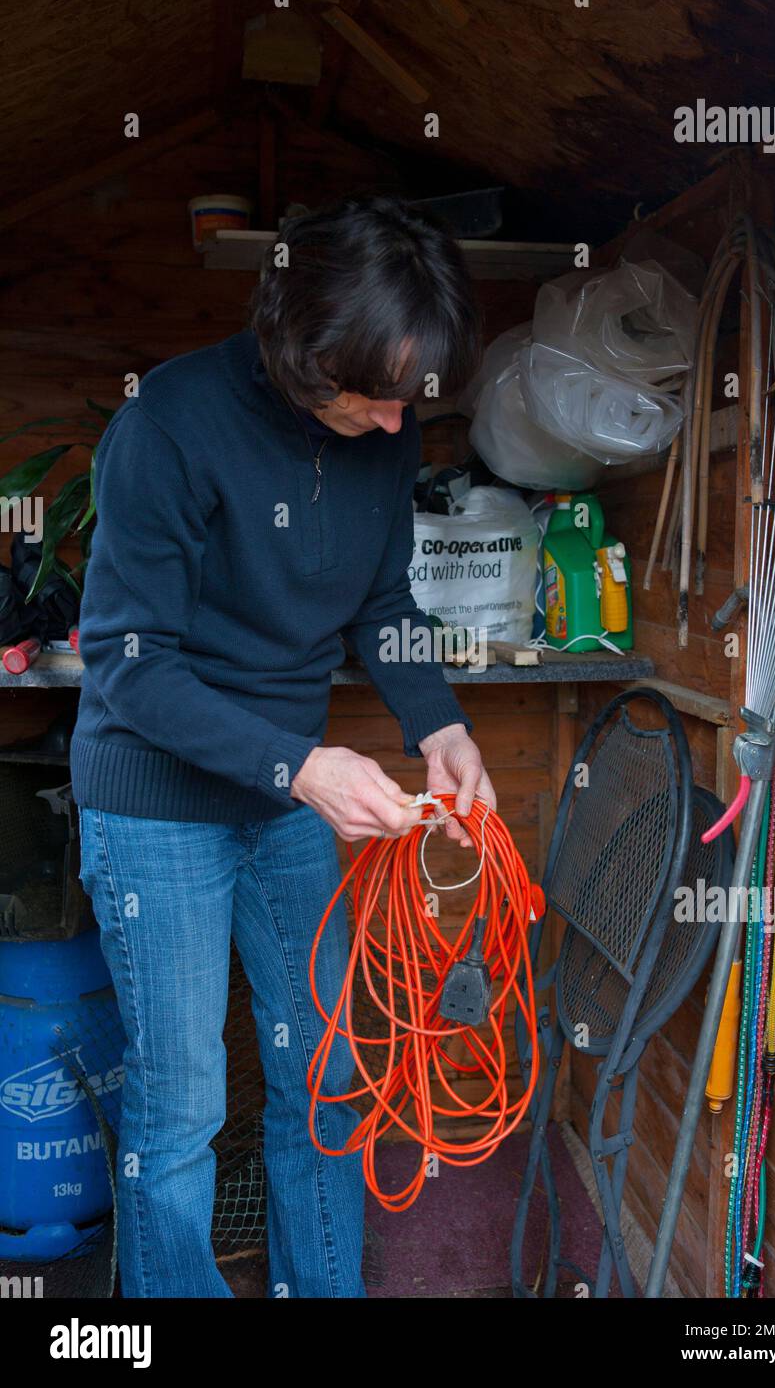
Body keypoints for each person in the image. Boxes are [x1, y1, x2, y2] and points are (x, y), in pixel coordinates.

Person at [71, 195, 495, 1298]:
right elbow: (127, 660)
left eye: (412, 396)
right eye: (376, 395)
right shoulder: (166, 426)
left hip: (282, 804)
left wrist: (437, 720)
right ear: (302, 357)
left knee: (326, 1070)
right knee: (182, 1102)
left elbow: (382, 599)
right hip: (156, 798)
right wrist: (301, 765)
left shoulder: (381, 436)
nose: (400, 426)